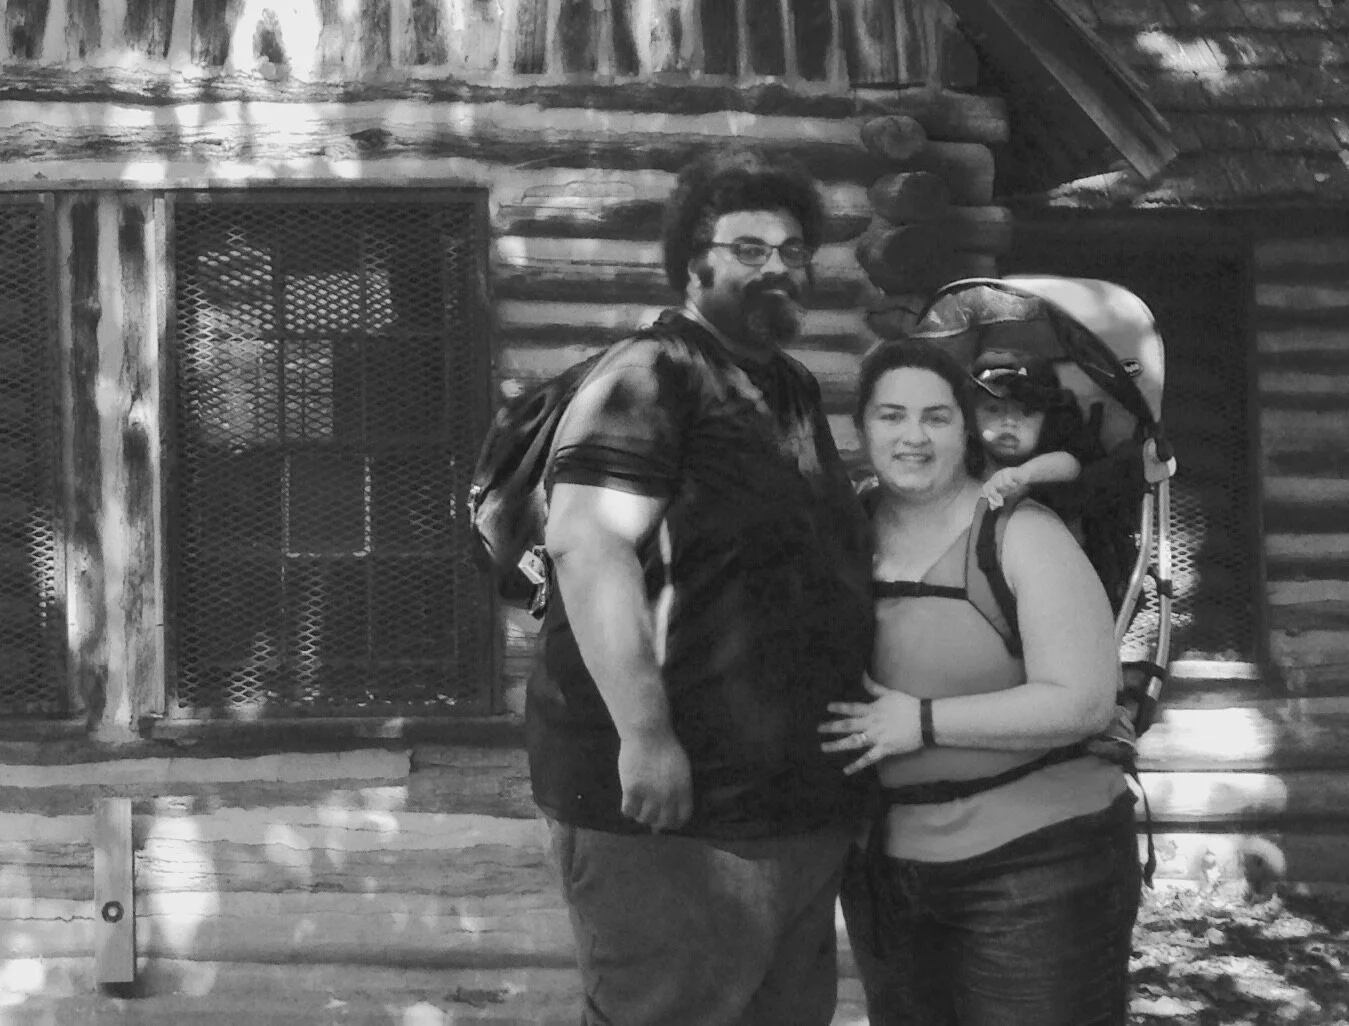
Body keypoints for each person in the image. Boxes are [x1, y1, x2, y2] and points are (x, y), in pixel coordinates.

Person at [530, 145, 875, 1025]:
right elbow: (586, 545)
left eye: (792, 250)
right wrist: (645, 737)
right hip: (675, 821)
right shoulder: (652, 376)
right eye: (748, 248)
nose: (776, 267)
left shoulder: (788, 388)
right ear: (694, 263)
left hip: (785, 811)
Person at [820, 339, 1141, 1026]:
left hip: (1039, 863)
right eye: (891, 416)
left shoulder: (1019, 533)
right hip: (885, 872)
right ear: (861, 429)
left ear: (964, 430)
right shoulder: (842, 531)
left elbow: (1084, 699)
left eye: (935, 417)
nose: (912, 436)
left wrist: (921, 722)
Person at [969, 348, 1090, 513]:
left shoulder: (1051, 462)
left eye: (1027, 412)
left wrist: (1023, 474)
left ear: (1049, 420)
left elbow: (1071, 465)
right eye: (993, 409)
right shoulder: (966, 456)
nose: (1009, 422)